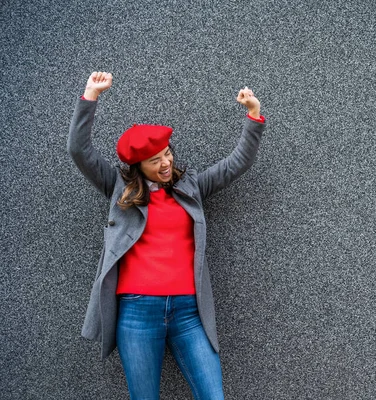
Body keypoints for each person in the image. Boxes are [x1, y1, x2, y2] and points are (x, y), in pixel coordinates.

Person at [67, 71, 266, 400]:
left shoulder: (190, 188)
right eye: (154, 160)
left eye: (167, 155)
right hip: (137, 312)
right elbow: (79, 150)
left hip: (189, 311)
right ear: (136, 166)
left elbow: (236, 164)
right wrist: (90, 96)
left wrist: (254, 116)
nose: (165, 163)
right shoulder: (119, 189)